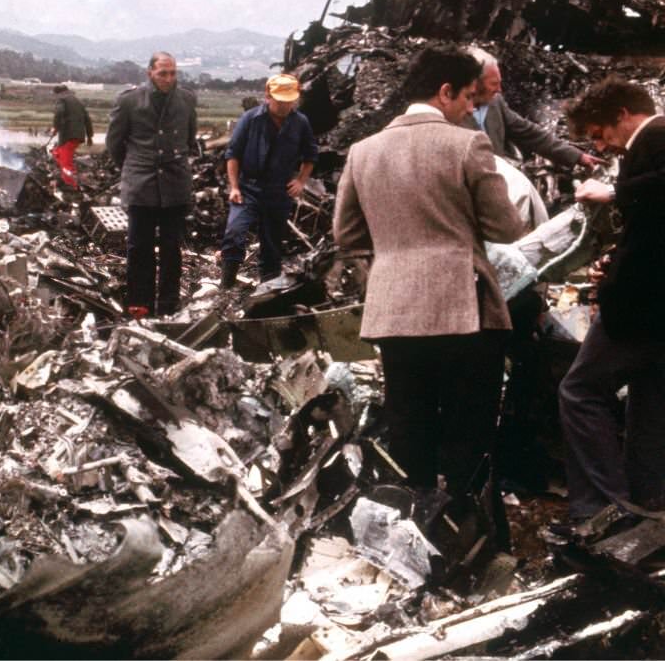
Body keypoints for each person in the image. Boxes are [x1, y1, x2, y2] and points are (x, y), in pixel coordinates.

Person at [333, 44, 524, 541]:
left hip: (394, 309)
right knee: (469, 428)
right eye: (467, 98)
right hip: (463, 309)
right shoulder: (467, 145)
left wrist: (396, 255)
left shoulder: (363, 151)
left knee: (409, 424)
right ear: (445, 92)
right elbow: (507, 226)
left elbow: (347, 237)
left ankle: (413, 533)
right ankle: (471, 533)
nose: (470, 109)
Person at [553, 77, 665, 532]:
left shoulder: (655, 138)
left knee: (579, 391)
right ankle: (649, 502)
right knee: (650, 402)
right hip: (653, 301)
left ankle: (601, 508)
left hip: (642, 305)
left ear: (621, 114)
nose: (603, 146)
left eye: (599, 134)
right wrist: (613, 259)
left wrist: (617, 193)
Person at [106, 52, 198, 318]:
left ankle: (168, 306)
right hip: (141, 185)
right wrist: (134, 168)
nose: (168, 79)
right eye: (162, 73)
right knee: (139, 248)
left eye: (172, 73)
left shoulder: (187, 99)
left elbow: (189, 139)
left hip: (174, 185)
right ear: (150, 73)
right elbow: (115, 144)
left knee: (172, 249)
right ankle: (140, 303)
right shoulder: (129, 101)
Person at [219, 74, 317, 286]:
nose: (284, 106)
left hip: (279, 191)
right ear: (268, 96)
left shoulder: (300, 123)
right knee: (234, 232)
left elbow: (311, 156)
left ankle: (268, 289)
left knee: (272, 244)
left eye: (289, 101)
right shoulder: (251, 119)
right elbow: (233, 155)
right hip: (248, 187)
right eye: (280, 101)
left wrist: (300, 181)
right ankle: (225, 287)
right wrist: (234, 187)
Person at [464, 47, 601, 169]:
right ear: (475, 83)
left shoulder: (495, 102)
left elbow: (530, 133)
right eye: (494, 83)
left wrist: (577, 156)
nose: (499, 89)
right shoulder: (449, 114)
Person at [51, 84, 93, 188]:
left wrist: (55, 128)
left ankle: (72, 186)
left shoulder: (62, 100)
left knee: (65, 163)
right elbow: (87, 119)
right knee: (57, 153)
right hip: (78, 136)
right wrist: (89, 136)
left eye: (55, 95)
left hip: (67, 135)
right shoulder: (78, 101)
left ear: (58, 93)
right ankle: (73, 177)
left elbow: (59, 112)